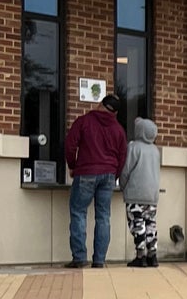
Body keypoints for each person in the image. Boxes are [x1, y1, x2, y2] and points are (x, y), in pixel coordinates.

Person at [63, 93, 129, 269]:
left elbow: (70, 145)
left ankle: (79, 258)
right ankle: (99, 260)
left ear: (100, 104)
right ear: (114, 113)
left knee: (78, 212)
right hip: (108, 175)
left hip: (85, 172)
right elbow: (123, 156)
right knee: (103, 216)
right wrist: (114, 175)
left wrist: (72, 166)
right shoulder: (119, 130)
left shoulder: (84, 121)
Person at [118, 117, 161, 268]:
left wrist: (122, 185)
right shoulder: (155, 150)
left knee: (137, 224)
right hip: (152, 195)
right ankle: (153, 255)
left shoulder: (134, 147)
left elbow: (126, 169)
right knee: (151, 224)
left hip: (136, 193)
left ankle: (140, 255)